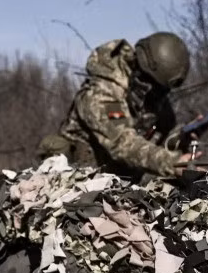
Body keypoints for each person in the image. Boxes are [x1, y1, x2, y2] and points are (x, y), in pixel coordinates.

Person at [39, 32, 199, 179]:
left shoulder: (149, 93)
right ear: (141, 73)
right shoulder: (101, 93)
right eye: (156, 88)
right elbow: (123, 143)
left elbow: (163, 133)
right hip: (76, 182)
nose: (159, 96)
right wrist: (171, 163)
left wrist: (181, 138)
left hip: (114, 183)